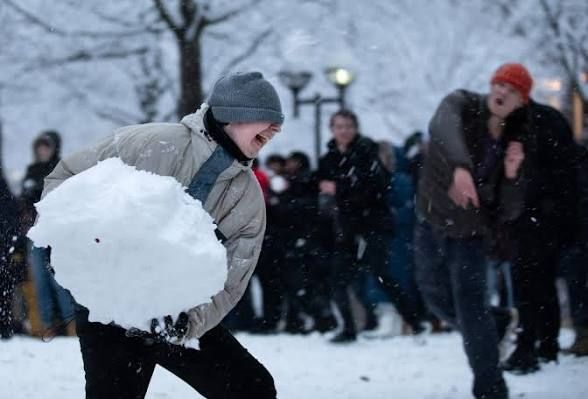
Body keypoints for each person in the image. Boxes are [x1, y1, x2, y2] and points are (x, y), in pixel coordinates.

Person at [40, 72, 283, 398]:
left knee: (251, 388)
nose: (276, 129)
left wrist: (188, 324)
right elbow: (66, 179)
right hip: (108, 309)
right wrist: (70, 251)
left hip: (175, 315)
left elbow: (233, 279)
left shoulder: (247, 198)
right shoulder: (150, 143)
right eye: (267, 120)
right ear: (233, 115)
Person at [414, 63, 532, 399]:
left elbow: (510, 209)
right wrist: (461, 168)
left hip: (471, 235)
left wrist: (511, 174)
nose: (502, 92)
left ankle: (491, 387)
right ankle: (494, 323)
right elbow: (441, 128)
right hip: (431, 220)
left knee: (470, 307)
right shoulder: (462, 103)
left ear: (521, 102)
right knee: (436, 299)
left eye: (512, 91)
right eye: (500, 85)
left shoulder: (516, 142)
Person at [317, 109, 424, 343]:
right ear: (332, 129)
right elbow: (322, 190)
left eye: (348, 126)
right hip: (347, 228)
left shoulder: (367, 151)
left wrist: (339, 189)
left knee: (380, 274)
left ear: (355, 128)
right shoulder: (329, 158)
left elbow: (375, 188)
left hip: (373, 224)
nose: (344, 131)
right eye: (339, 126)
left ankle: (414, 321)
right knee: (338, 278)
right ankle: (349, 328)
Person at [499, 93, 579, 372]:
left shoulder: (545, 122)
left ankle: (532, 347)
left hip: (543, 218)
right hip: (524, 219)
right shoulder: (508, 124)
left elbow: (563, 172)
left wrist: (548, 206)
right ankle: (543, 345)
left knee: (533, 285)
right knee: (535, 285)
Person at [19, 131, 76, 335]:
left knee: (59, 280)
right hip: (34, 234)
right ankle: (46, 325)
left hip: (55, 233)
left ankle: (71, 324)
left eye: (47, 147)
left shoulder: (61, 169)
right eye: (40, 147)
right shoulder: (31, 170)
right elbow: (24, 203)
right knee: (40, 282)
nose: (43, 151)